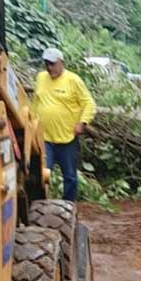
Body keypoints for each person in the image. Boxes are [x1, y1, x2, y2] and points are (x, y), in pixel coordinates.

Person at [33, 48, 97, 202]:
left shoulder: (73, 80)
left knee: (69, 177)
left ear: (62, 62)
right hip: (44, 138)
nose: (49, 68)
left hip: (67, 139)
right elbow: (36, 101)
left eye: (53, 64)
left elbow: (89, 104)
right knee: (42, 174)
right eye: (47, 64)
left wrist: (82, 123)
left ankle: (68, 207)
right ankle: (41, 207)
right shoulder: (41, 77)